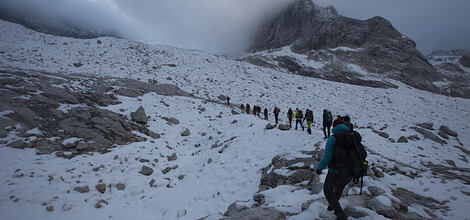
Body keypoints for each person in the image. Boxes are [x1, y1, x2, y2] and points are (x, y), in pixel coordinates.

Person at [315, 118, 350, 220]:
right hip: (351, 171)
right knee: (339, 186)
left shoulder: (333, 138)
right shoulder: (351, 136)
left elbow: (327, 157)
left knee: (327, 191)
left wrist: (319, 168)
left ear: (334, 127)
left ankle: (340, 214)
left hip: (336, 170)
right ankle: (332, 206)